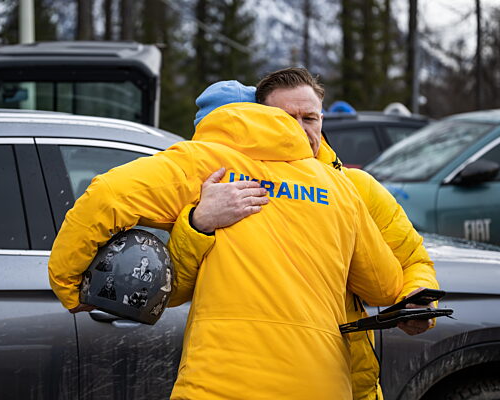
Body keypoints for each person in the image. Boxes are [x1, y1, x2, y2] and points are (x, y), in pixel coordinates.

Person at [48, 92, 404, 398]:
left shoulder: (202, 164)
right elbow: (385, 286)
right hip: (320, 384)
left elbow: (107, 195)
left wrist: (69, 285)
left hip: (218, 384)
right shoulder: (339, 187)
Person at [166, 68, 439, 400]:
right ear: (259, 120)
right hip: (245, 377)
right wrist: (197, 223)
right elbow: (175, 291)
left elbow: (413, 261)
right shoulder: (226, 189)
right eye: (284, 119)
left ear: (322, 119)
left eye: (309, 118)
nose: (298, 130)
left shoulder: (357, 188)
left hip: (348, 378)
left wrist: (414, 303)